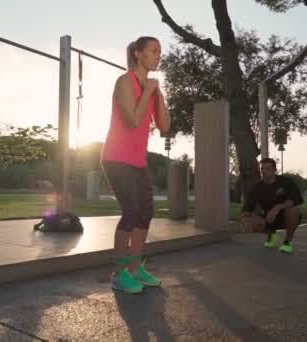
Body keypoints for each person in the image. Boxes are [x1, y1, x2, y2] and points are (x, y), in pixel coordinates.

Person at [100, 36, 171, 294]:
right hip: (116, 157)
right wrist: (148, 92)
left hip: (137, 160)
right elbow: (131, 120)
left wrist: (158, 94)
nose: (158, 55)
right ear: (138, 54)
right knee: (130, 212)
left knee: (145, 213)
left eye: (160, 51)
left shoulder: (151, 87)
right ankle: (119, 274)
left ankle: (135, 268)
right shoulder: (125, 82)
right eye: (154, 50)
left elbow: (165, 127)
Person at [241, 158, 304, 254]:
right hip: (268, 219)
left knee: (294, 210)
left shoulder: (285, 182)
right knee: (249, 221)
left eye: (267, 168)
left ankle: (287, 242)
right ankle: (272, 234)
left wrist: (277, 208)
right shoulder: (257, 188)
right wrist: (245, 217)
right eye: (262, 169)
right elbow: (248, 206)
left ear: (274, 170)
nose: (264, 171)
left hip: (286, 217)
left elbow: (298, 199)